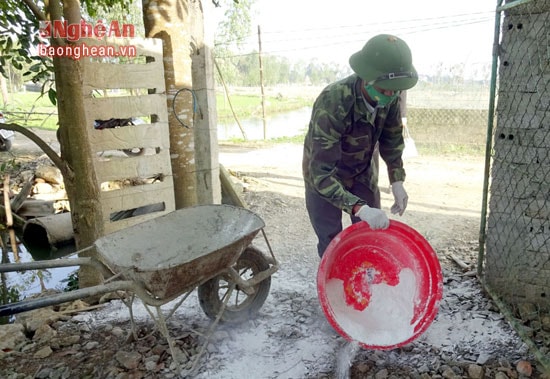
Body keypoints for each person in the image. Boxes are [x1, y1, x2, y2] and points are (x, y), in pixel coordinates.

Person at [302, 34, 418, 258]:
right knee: (331, 240)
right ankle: (335, 287)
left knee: (370, 235)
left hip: (362, 171)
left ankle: (368, 282)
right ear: (367, 78)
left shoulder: (390, 97)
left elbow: (392, 140)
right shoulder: (333, 102)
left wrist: (397, 181)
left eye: (395, 91)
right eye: (385, 90)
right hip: (325, 175)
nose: (390, 95)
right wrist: (359, 208)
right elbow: (320, 172)